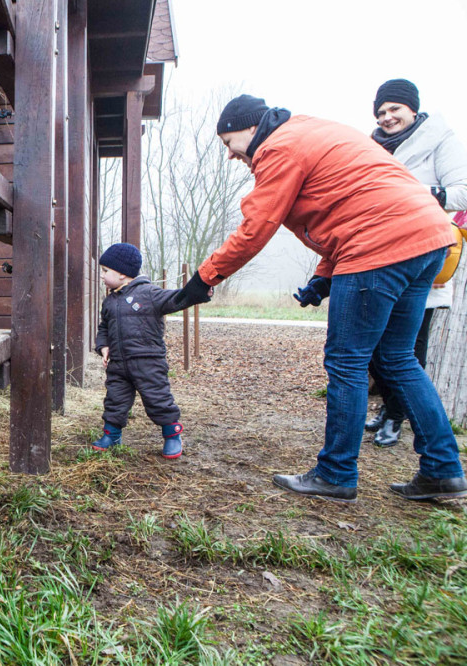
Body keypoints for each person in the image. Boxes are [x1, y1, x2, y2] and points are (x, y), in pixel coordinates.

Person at [175, 94, 466, 502]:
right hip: (428, 238)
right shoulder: (312, 131)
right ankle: (443, 470)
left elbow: (257, 226)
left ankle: (336, 473)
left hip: (378, 246)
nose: (229, 155)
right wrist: (323, 275)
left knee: (347, 360)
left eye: (228, 142)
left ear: (248, 127)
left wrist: (204, 279)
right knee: (397, 358)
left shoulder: (278, 147)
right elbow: (351, 205)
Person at [362, 79, 467, 447]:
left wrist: (418, 195)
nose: (387, 117)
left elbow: (463, 191)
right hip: (380, 257)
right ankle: (389, 407)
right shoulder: (372, 147)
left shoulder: (440, 140)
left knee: (405, 350)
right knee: (375, 348)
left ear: (412, 108)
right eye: (381, 112)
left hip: (424, 260)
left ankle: (396, 415)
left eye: (394, 109)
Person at [93, 243, 209, 458]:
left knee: (158, 399)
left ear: (121, 274)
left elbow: (177, 298)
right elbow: (104, 327)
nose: (101, 276)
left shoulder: (149, 294)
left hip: (148, 362)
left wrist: (199, 290)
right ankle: (111, 434)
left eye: (105, 271)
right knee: (115, 400)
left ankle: (172, 435)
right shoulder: (109, 301)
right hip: (118, 363)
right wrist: (103, 346)